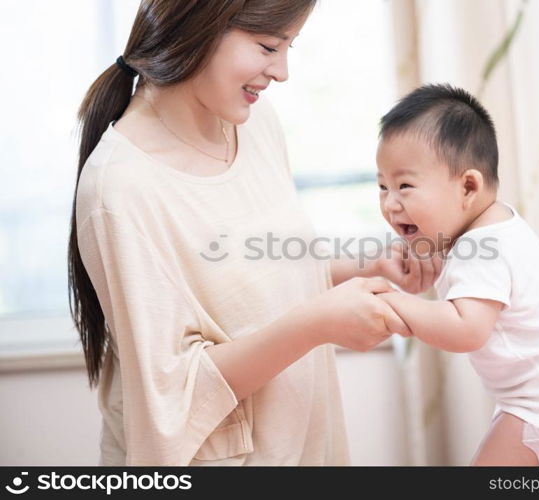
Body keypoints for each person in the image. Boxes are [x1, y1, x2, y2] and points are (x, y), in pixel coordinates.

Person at [67, 0, 442, 466]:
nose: (282, 71)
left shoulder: (254, 123)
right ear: (200, 27)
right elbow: (170, 399)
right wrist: (318, 325)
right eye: (268, 46)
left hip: (303, 447)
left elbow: (252, 280)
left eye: (289, 47)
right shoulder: (121, 188)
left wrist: (367, 266)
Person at [374, 83, 539, 466]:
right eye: (382, 186)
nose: (390, 203)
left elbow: (466, 329)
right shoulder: (495, 226)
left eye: (405, 186)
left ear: (468, 186)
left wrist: (391, 301)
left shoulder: (482, 248)